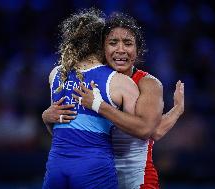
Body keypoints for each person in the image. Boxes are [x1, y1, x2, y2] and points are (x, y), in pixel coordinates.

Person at [42, 12, 184, 189]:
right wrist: (48, 117)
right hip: (98, 174)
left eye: (128, 43)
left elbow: (149, 130)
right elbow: (72, 134)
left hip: (136, 179)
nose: (121, 50)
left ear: (137, 50)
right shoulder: (90, 78)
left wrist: (99, 106)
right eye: (113, 43)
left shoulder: (148, 83)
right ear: (102, 47)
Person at [42, 9, 141, 189]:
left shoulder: (56, 75)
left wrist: (45, 119)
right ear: (102, 43)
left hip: (57, 166)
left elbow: (59, 128)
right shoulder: (120, 83)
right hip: (94, 167)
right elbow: (131, 141)